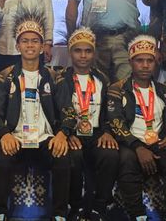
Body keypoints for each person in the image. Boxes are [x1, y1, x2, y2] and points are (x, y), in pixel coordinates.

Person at [0, 8, 74, 221]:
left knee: (63, 157)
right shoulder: (5, 77)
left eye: (35, 41)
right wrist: (4, 134)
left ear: (43, 45)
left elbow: (69, 112)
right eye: (25, 41)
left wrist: (63, 133)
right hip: (15, 138)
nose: (30, 45)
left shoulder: (55, 77)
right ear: (17, 45)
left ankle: (60, 215)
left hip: (45, 139)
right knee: (3, 159)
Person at [107, 33, 166, 221]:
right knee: (126, 159)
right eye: (139, 60)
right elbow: (116, 122)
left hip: (160, 143)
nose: (145, 65)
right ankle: (138, 215)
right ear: (130, 61)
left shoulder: (165, 90)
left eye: (149, 61)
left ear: (156, 62)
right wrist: (137, 147)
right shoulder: (117, 89)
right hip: (131, 143)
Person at [59, 27, 118, 221]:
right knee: (73, 155)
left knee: (109, 154)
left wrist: (108, 131)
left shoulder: (102, 79)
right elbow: (55, 111)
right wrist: (67, 134)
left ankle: (100, 206)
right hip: (72, 134)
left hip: (96, 134)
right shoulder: (61, 80)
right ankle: (75, 207)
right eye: (78, 50)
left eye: (88, 51)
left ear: (94, 53)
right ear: (70, 52)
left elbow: (110, 111)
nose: (83, 55)